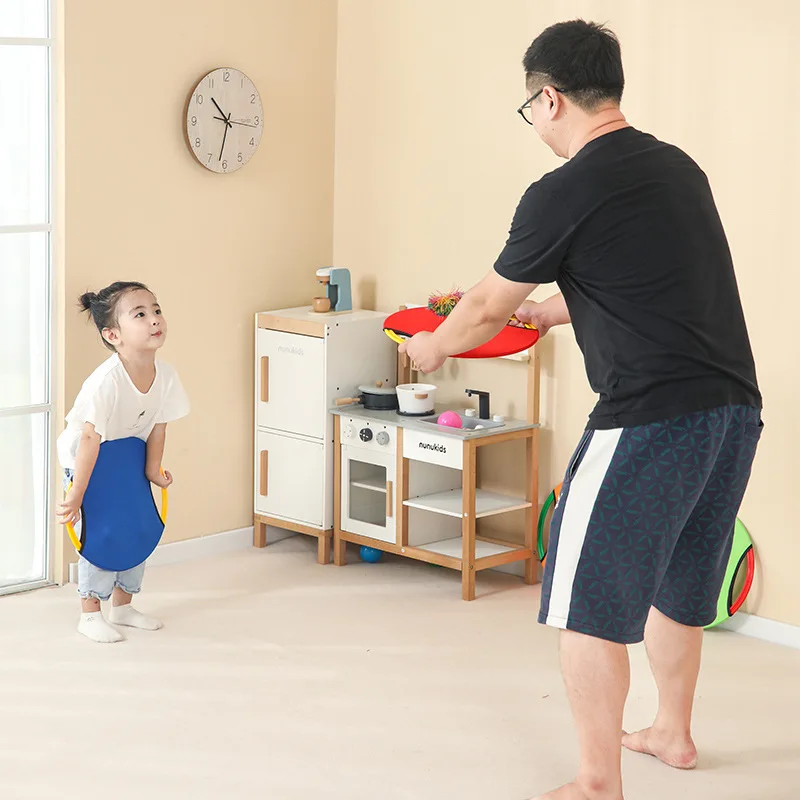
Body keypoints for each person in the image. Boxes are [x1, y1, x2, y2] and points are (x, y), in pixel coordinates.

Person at [399, 19, 762, 800]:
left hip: (647, 417)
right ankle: (672, 732)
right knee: (678, 585)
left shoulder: (562, 188)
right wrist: (558, 314)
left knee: (584, 600)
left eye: (529, 107)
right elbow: (651, 281)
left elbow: (488, 304)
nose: (533, 121)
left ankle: (597, 781)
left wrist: (434, 350)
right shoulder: (675, 169)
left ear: (550, 97)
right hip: (731, 410)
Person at [56, 281, 190, 644]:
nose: (154, 319)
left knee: (138, 526)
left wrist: (152, 470)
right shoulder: (106, 382)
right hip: (89, 458)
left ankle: (123, 606)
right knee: (102, 531)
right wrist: (77, 493)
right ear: (113, 334)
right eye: (141, 314)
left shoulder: (166, 376)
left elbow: (158, 428)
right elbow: (88, 439)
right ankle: (89, 612)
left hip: (129, 454)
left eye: (157, 310)